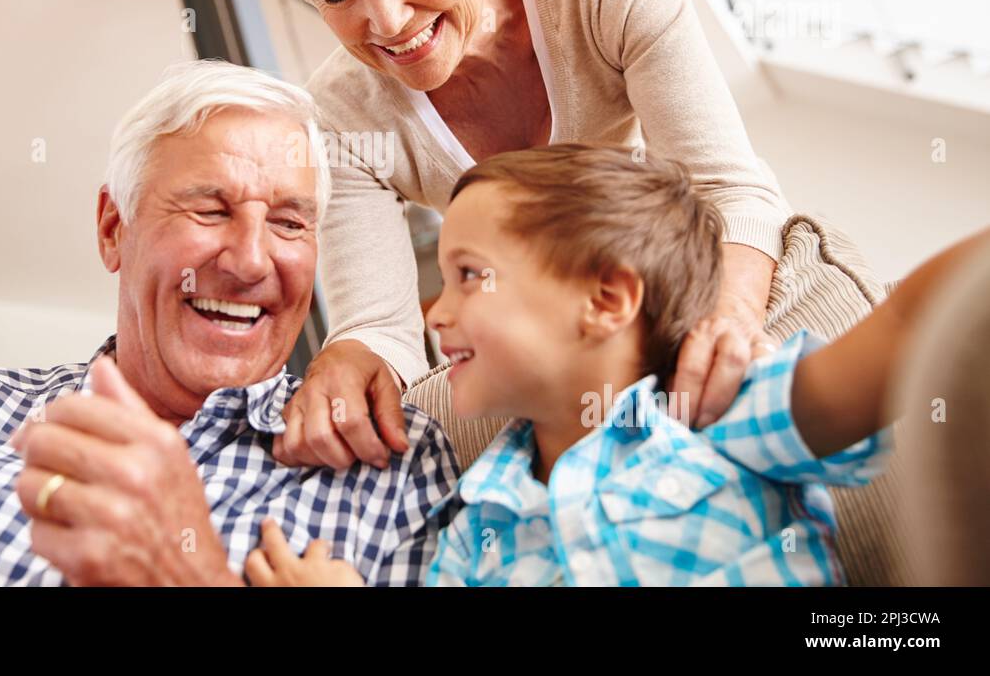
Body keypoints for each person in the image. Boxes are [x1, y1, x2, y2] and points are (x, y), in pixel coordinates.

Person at [262, 0, 794, 473]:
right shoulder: (337, 116)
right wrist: (349, 358)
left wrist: (727, 320)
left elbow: (726, 188)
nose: (386, 21)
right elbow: (382, 329)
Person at [0, 60, 458, 587]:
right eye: (209, 210)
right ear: (112, 229)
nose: (250, 262)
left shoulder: (391, 465)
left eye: (288, 222)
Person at [244, 143, 989, 586]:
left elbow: (911, 325)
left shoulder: (721, 417)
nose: (436, 314)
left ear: (606, 299)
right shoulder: (478, 522)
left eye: (470, 275)